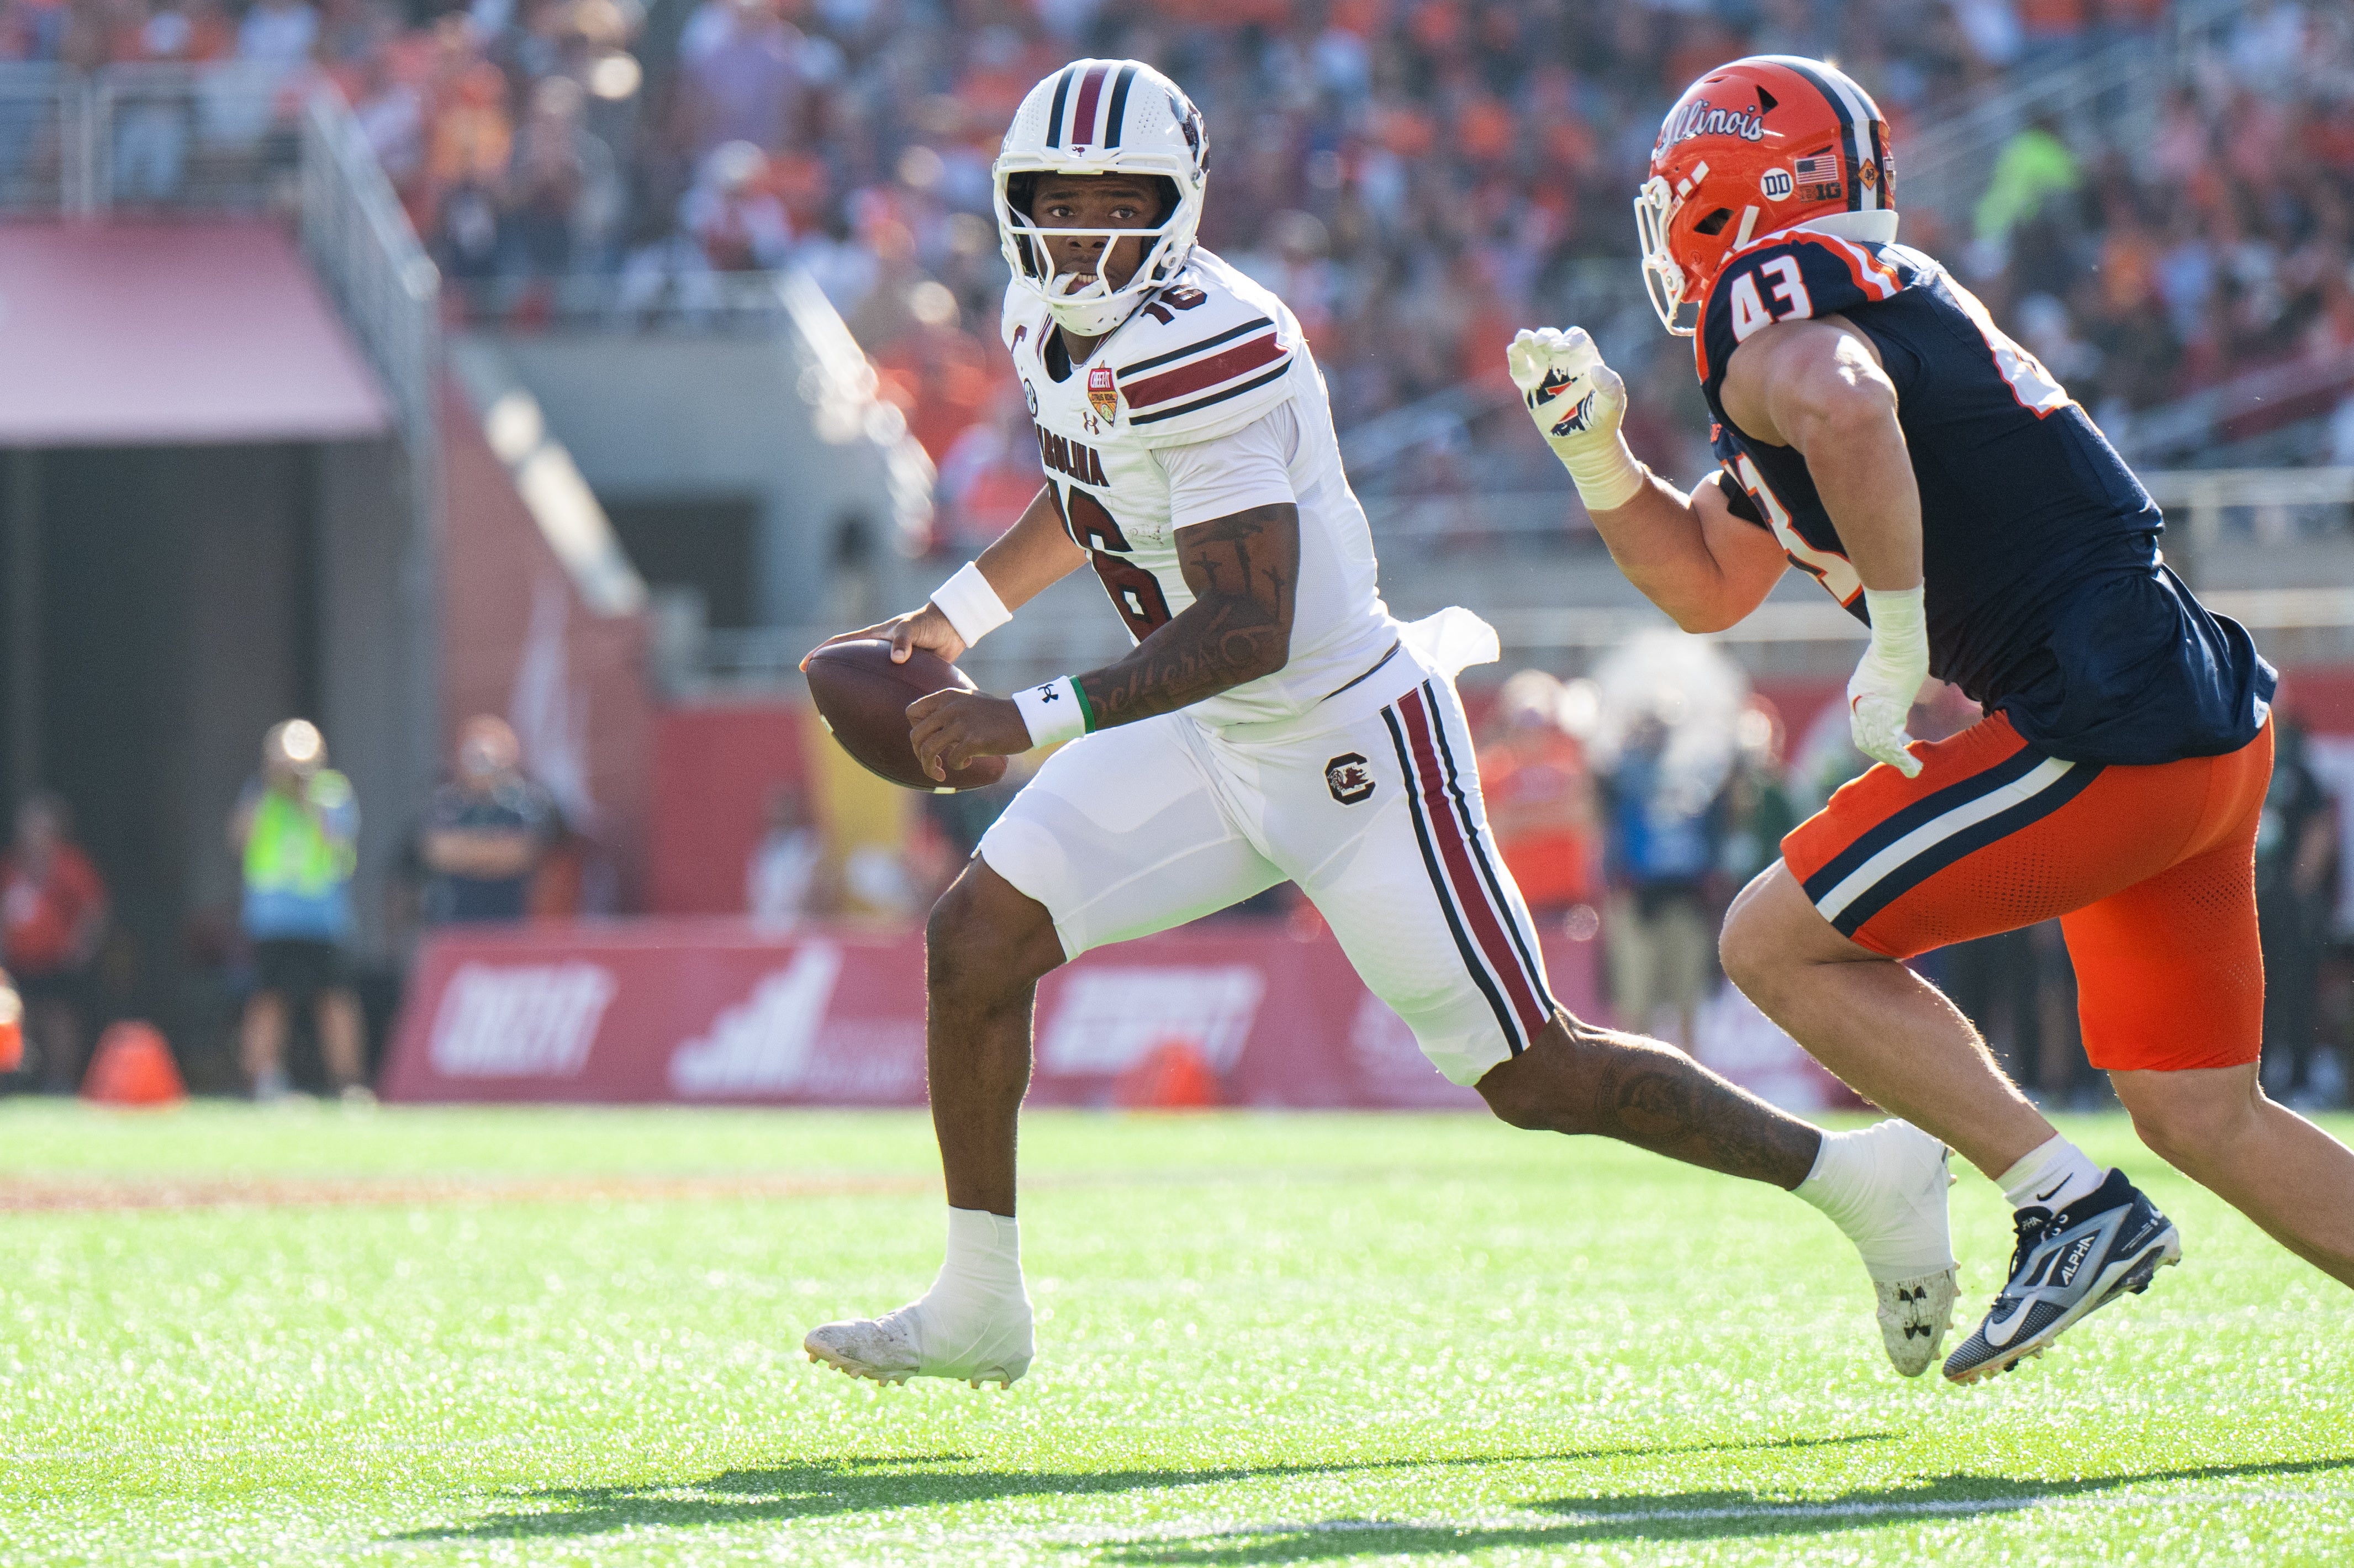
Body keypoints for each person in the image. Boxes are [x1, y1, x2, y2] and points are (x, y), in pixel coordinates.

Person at [801, 58, 1960, 1394]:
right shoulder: (1036, 315)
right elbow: (1090, 491)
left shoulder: (1210, 337)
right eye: (1052, 203)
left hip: (1344, 736)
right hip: (1201, 727)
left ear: (1177, 208)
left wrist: (1026, 719)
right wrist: (947, 622)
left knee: (1533, 1070)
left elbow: (1252, 622)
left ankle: (1857, 1174)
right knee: (975, 938)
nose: (1080, 233)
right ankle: (977, 1301)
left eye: (1115, 201)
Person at [1508, 53, 2354, 1386]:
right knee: (2198, 1105)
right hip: (2185, 712)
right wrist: (1598, 462)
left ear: (1729, 201)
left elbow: (1842, 406)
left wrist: (1895, 639)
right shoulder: (1866, 313)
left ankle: (2063, 1201)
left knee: (1772, 940)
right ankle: (2074, 1191)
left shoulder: (1772, 300)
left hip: (2098, 722)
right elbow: (1706, 579)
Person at [230, 719, 367, 1101]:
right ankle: (263, 1080)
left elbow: (337, 841)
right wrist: (268, 787)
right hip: (272, 919)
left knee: (335, 1000)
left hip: (323, 918)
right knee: (268, 1000)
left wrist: (306, 795)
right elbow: (239, 839)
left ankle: (347, 1082)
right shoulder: (259, 794)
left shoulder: (332, 793)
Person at [0, 793, 107, 1094]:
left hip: (57, 959)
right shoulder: (11, 866)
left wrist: (82, 944)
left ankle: (59, 1081)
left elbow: (94, 907)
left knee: (60, 1021)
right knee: (19, 1017)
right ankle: (17, 1080)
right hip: (20, 960)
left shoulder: (69, 865)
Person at [418, 716, 561, 926]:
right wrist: (493, 851)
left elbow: (523, 853)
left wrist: (467, 854)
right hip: (456, 927)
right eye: (473, 756)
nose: (481, 765)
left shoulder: (529, 802)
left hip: (516, 926)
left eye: (488, 757)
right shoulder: (446, 804)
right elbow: (437, 852)